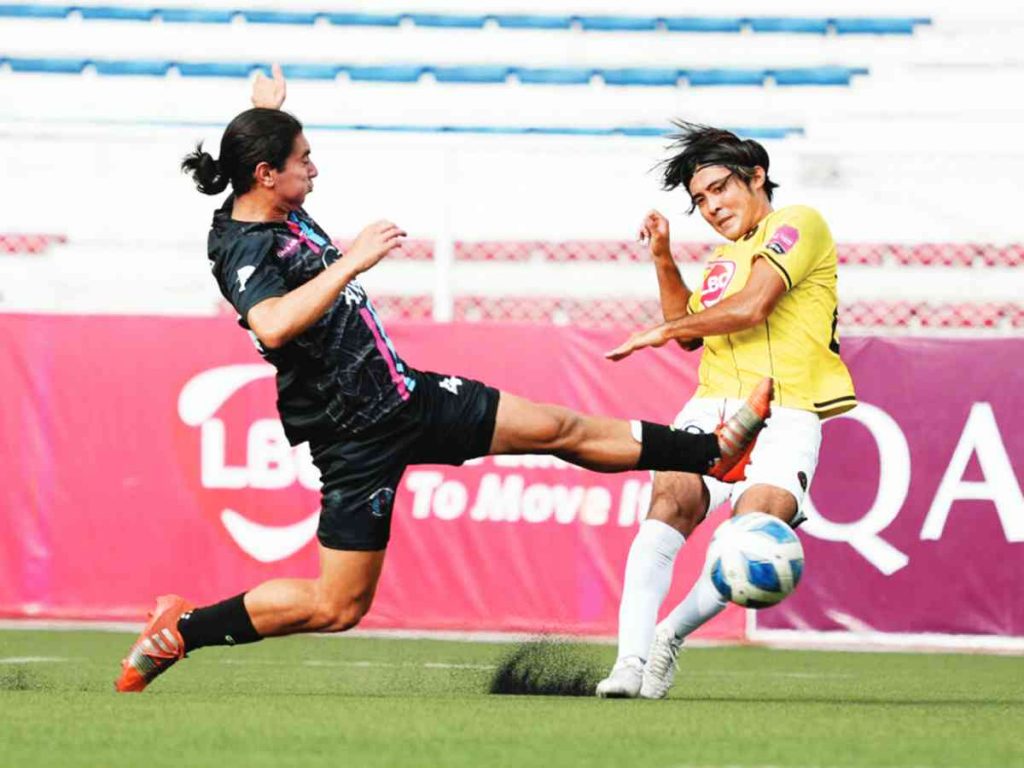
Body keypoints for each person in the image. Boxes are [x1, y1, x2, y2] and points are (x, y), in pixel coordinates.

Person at [114, 72, 772, 693]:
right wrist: (351, 262)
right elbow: (275, 324)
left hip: (408, 396)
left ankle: (712, 452)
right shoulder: (244, 247)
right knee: (336, 605)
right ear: (266, 174)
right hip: (355, 437)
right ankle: (183, 629)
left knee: (558, 428)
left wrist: (272, 112)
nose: (314, 167)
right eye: (303, 157)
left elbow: (266, 169)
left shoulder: (267, 193)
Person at [596, 122, 856, 699]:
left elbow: (754, 306)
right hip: (713, 407)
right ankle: (629, 663)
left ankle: (668, 636)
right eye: (700, 200)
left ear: (756, 176)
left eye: (719, 189)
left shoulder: (799, 224)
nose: (711, 207)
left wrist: (664, 329)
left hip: (786, 409)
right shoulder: (721, 258)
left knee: (751, 538)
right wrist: (663, 257)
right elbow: (693, 334)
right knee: (669, 502)